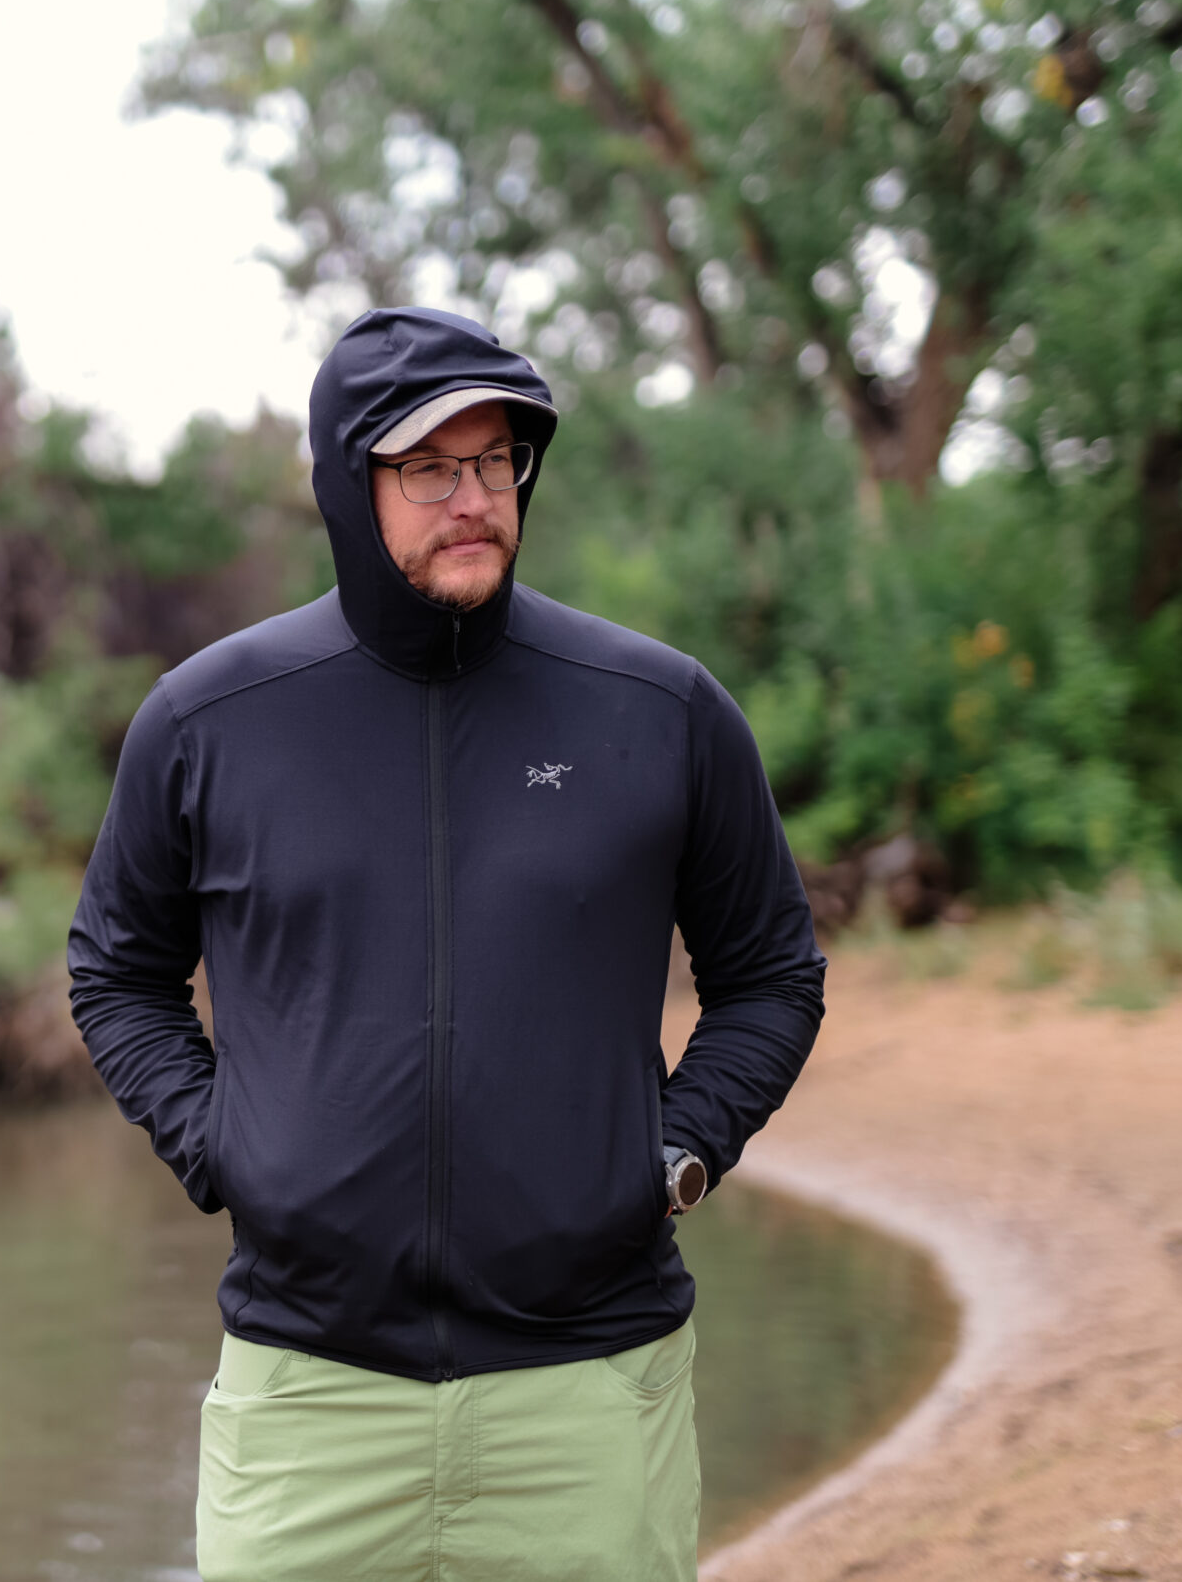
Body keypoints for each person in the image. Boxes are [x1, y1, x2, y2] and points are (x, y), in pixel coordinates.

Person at [66, 307, 826, 1581]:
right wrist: (222, 1146)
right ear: (345, 484)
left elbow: (768, 977)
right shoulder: (210, 721)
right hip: (308, 1399)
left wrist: (677, 1157)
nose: (471, 497)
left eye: (495, 463)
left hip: (589, 1390)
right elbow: (117, 973)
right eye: (427, 467)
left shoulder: (661, 710)